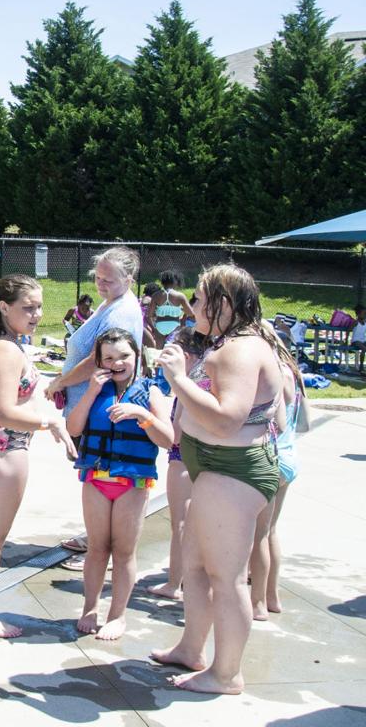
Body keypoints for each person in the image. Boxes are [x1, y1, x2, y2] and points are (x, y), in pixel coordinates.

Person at [151, 263, 284, 695]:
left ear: (224, 304)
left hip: (231, 471)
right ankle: (192, 649)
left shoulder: (238, 351)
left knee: (225, 577)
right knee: (194, 565)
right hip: (217, 468)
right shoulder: (238, 344)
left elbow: (228, 420)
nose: (194, 306)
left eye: (202, 298)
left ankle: (226, 674)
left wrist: (176, 380)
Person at [0, 275, 76, 637]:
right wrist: (49, 422)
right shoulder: (7, 350)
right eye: (28, 307)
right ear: (4, 307)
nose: (37, 314)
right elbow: (5, 412)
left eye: (39, 306)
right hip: (3, 450)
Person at [66, 328, 173, 640]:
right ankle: (89, 607)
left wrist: (141, 414)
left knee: (124, 550)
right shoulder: (95, 391)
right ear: (99, 362)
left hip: (133, 481)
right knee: (98, 547)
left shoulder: (150, 392)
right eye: (109, 358)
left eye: (124, 356)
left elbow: (168, 440)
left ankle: (118, 616)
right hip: (97, 478)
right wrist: (88, 393)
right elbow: (74, 427)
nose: (117, 363)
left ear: (136, 357)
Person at [45, 246, 144, 563]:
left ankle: (103, 547)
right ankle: (98, 539)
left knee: (103, 475)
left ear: (128, 280)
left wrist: (60, 381)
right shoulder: (112, 302)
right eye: (98, 277)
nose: (101, 284)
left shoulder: (121, 311)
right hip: (90, 403)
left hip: (102, 407)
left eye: (109, 279)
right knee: (96, 476)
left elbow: (97, 360)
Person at [146, 327, 207, 601]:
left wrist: (151, 419)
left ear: (187, 356)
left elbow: (176, 435)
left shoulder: (187, 385)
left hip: (182, 458)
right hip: (205, 458)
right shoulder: (207, 382)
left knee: (180, 524)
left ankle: (174, 583)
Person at [250, 328, 305, 620]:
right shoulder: (292, 372)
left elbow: (277, 419)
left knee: (258, 533)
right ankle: (272, 596)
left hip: (274, 457)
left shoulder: (276, 373)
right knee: (269, 531)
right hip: (289, 457)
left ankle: (257, 602)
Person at [147, 270, 194, 345]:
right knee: (171, 350)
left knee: (159, 351)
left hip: (160, 325)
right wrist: (180, 310)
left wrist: (154, 328)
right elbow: (190, 313)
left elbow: (149, 315)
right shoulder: (179, 296)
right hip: (175, 325)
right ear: (174, 281)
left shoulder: (156, 295)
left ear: (162, 282)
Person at [351, 304, 366, 372]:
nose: (365, 314)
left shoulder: (365, 322)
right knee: (364, 349)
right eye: (364, 313)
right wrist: (346, 341)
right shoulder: (356, 322)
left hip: (363, 340)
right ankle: (361, 366)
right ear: (359, 314)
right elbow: (349, 330)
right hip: (356, 341)